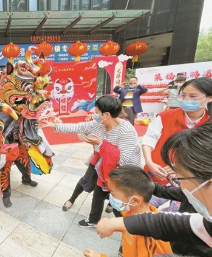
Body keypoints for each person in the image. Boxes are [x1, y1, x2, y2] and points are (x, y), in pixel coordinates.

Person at [96, 122, 212, 257]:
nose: (180, 186)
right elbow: (169, 223)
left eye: (180, 179)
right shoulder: (206, 222)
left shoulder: (149, 242)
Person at [40, 95, 141, 226]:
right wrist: (53, 125)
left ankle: (126, 227)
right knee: (98, 193)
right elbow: (78, 127)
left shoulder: (126, 130)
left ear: (106, 115)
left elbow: (123, 159)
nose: (94, 115)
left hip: (123, 172)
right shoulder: (98, 124)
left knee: (119, 203)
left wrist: (100, 143)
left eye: (96, 112)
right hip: (103, 166)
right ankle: (94, 220)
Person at [84, 165, 172, 257]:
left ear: (135, 201)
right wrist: (115, 227)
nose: (110, 196)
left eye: (113, 193)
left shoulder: (149, 238)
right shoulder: (132, 212)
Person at [142, 77, 211, 185]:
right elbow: (149, 139)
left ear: (209, 98)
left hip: (191, 180)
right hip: (158, 171)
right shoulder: (166, 116)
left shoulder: (209, 123)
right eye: (183, 95)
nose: (186, 99)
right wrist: (149, 162)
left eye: (193, 96)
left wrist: (180, 168)